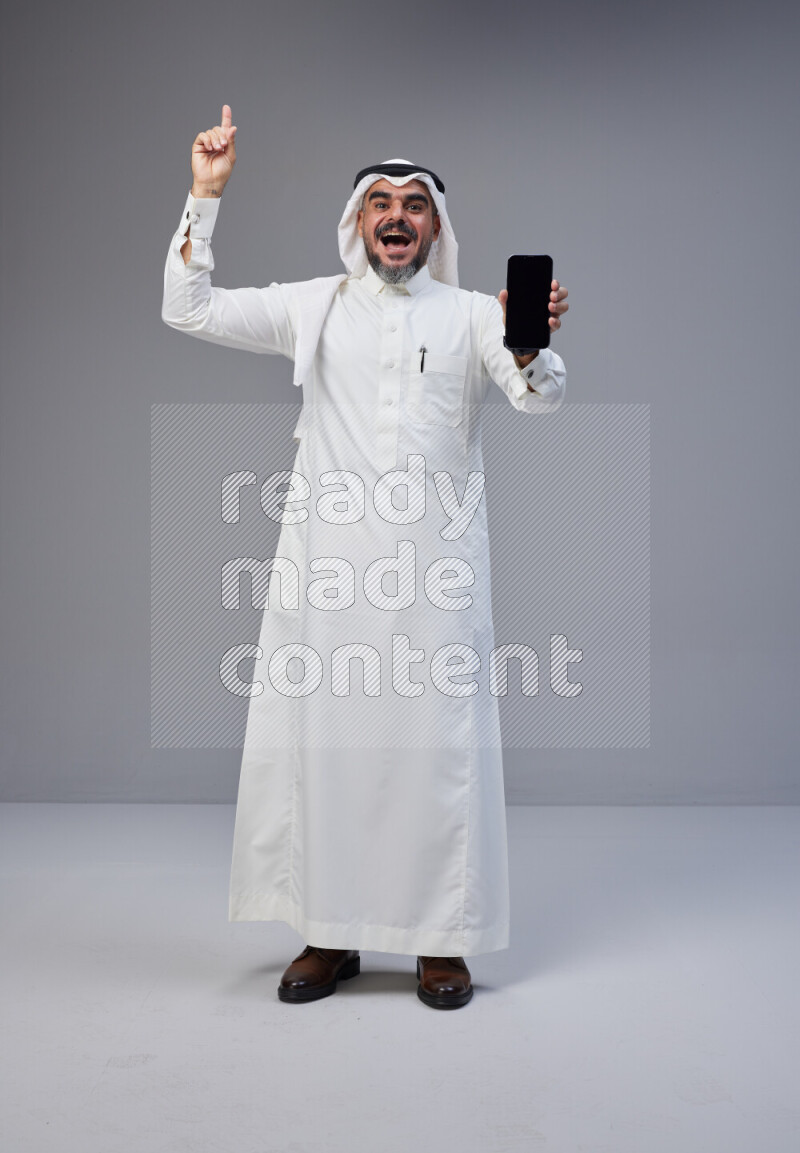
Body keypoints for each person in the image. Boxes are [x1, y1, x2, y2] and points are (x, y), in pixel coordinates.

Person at [162, 104, 569, 1010]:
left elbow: (537, 398)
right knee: (330, 751)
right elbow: (185, 306)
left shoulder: (471, 315)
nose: (396, 216)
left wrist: (531, 342)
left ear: (435, 226)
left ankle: (439, 943)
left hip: (435, 576)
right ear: (356, 222)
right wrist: (205, 196)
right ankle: (330, 932)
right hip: (329, 575)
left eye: (415, 203)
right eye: (380, 202)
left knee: (436, 754)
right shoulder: (314, 305)